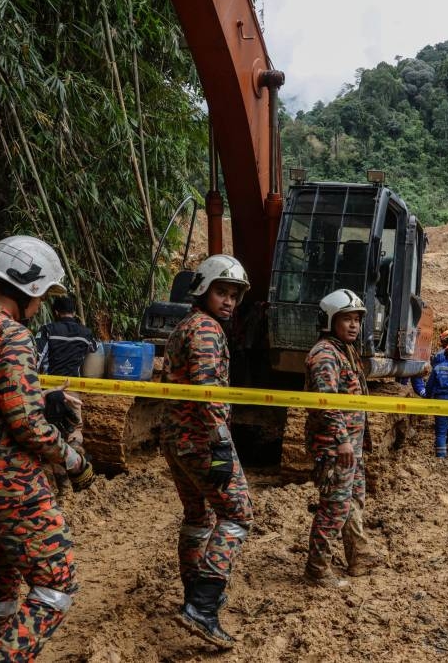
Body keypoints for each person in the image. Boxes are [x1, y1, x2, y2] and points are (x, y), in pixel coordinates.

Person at [0, 235, 95, 662]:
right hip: (12, 487)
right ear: (28, 287)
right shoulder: (11, 335)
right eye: (43, 294)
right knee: (57, 582)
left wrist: (46, 401)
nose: (42, 303)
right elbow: (27, 425)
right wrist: (74, 459)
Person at [160, 254, 253, 649]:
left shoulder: (189, 325)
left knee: (197, 516)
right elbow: (206, 388)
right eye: (222, 291)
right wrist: (219, 444)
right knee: (238, 513)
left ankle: (193, 594)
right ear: (203, 290)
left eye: (234, 294)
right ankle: (202, 605)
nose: (229, 300)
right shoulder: (207, 330)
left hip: (178, 440)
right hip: (202, 440)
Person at [304, 289, 379, 588]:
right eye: (346, 319)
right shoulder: (325, 354)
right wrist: (342, 440)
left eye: (357, 320)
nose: (353, 326)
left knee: (353, 501)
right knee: (334, 508)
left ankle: (359, 556)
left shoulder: (345, 351)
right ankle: (316, 570)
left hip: (352, 445)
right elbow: (326, 400)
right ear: (330, 320)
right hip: (337, 447)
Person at [35, 295, 96, 495]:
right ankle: (78, 462)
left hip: (51, 389)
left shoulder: (48, 330)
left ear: (56, 312)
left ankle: (62, 485)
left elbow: (37, 357)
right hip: (73, 389)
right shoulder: (85, 332)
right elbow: (94, 348)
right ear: (73, 312)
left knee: (53, 432)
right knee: (74, 428)